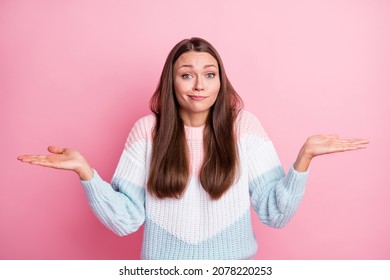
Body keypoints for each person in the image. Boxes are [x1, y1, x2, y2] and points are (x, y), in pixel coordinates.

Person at [17, 37, 369, 260]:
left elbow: (274, 213)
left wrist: (303, 159)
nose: (199, 84)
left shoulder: (244, 127)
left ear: (221, 80)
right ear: (171, 80)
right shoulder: (147, 132)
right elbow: (126, 220)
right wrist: (86, 173)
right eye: (187, 74)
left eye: (210, 74)